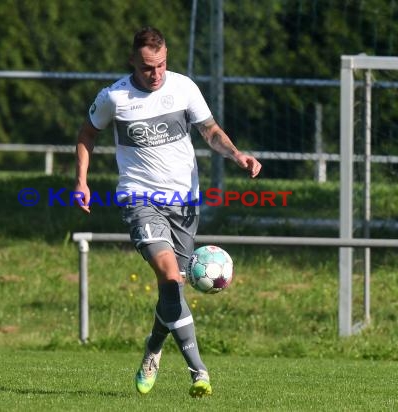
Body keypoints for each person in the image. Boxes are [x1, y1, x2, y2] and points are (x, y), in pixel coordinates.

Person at [74, 26, 261, 398]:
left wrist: (237, 154)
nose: (155, 74)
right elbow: (86, 135)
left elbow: (209, 131)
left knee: (172, 285)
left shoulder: (184, 88)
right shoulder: (115, 97)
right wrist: (82, 181)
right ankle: (199, 372)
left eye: (161, 65)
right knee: (169, 272)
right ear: (133, 62)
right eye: (147, 68)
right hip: (139, 200)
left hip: (185, 205)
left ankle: (153, 348)